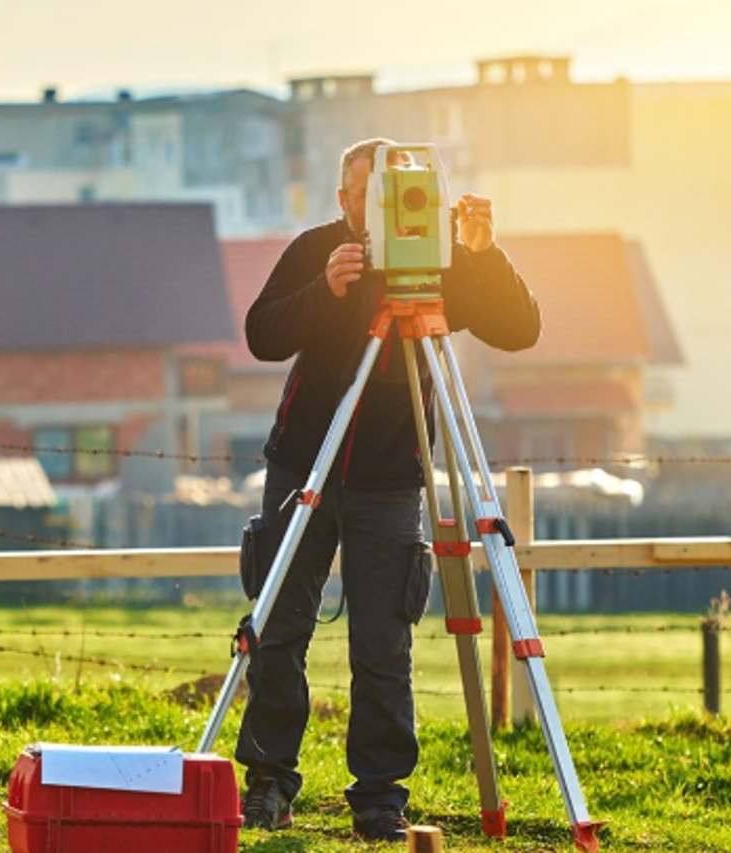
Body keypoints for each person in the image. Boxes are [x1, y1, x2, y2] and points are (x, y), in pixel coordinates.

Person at [236, 137, 541, 842]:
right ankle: (267, 782)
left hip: (390, 477)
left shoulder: (437, 256)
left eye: (396, 191)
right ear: (344, 201)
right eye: (365, 194)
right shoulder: (318, 249)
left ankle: (379, 797)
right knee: (278, 631)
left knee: (382, 644)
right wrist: (326, 290)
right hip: (301, 467)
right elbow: (261, 335)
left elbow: (521, 329)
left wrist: (483, 252)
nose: (381, 207)